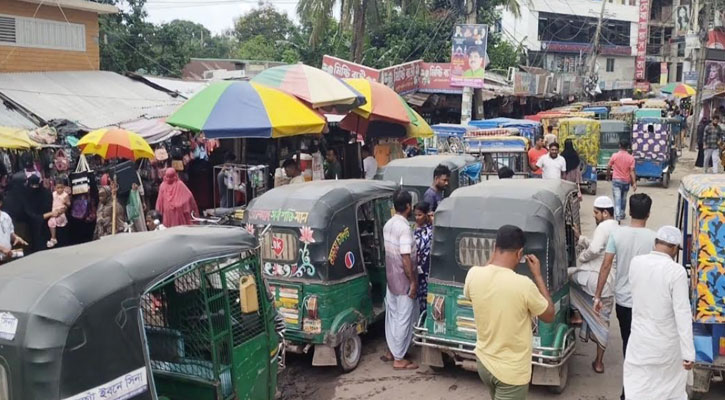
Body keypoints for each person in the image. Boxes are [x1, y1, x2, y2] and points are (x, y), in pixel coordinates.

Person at [464, 225, 555, 400]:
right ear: (520, 253)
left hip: (484, 362)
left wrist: (493, 258)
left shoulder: (473, 275)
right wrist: (538, 275)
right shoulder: (524, 285)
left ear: (494, 248)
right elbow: (549, 315)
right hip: (511, 373)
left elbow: (472, 294)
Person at [594, 194, 656, 400]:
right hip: (646, 302)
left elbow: (605, 265)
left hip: (623, 301)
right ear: (648, 213)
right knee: (643, 346)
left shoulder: (617, 235)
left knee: (628, 344)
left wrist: (597, 295)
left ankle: (628, 392)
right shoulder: (654, 238)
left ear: (629, 212)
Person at [624, 226, 694, 400]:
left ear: (656, 243)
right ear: (674, 248)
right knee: (667, 391)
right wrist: (688, 353)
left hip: (640, 343)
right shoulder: (676, 272)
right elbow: (682, 313)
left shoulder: (636, 263)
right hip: (666, 347)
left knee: (638, 388)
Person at [569, 196, 618, 374]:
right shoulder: (616, 226)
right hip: (609, 286)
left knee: (566, 278)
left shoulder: (603, 227)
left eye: (596, 213)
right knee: (603, 321)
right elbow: (600, 247)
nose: (595, 217)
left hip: (594, 279)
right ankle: (599, 362)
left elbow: (595, 249)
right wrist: (580, 238)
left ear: (605, 213)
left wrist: (582, 258)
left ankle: (577, 313)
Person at [381, 189, 418, 370]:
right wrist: (412, 281)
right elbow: (405, 257)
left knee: (393, 316)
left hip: (391, 278)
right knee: (403, 318)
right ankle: (398, 359)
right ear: (409, 206)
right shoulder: (404, 228)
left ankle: (392, 351)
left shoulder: (388, 224)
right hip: (403, 279)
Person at [607, 139, 637, 222]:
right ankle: (622, 213)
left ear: (619, 145)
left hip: (616, 180)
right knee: (623, 198)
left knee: (617, 199)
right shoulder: (631, 158)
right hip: (626, 181)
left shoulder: (614, 156)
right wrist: (634, 183)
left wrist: (608, 175)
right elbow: (632, 171)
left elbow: (609, 166)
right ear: (627, 147)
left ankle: (617, 216)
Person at [413, 201, 433, 313]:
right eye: (415, 215)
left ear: (426, 215)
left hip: (426, 274)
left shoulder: (430, 232)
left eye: (419, 215)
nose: (417, 218)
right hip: (417, 274)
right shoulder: (413, 230)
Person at [0, 193, 27, 262]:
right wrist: (2, 249)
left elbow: (11, 233)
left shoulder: (6, 216)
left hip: (7, 256)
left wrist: (16, 237)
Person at [46, 181, 70, 248]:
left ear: (64, 188)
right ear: (55, 188)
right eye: (58, 188)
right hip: (54, 211)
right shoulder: (53, 194)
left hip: (61, 211)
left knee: (54, 220)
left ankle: (53, 238)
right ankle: (53, 237)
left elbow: (69, 204)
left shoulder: (65, 195)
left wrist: (65, 203)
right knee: (50, 221)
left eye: (61, 188)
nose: (60, 189)